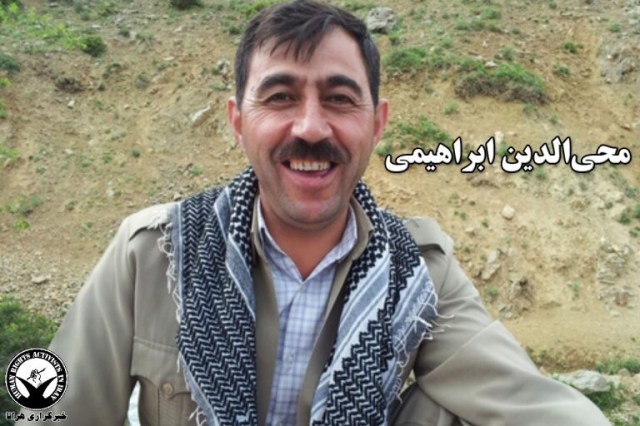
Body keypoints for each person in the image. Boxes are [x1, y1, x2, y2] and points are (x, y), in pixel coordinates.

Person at [20, 1, 610, 425]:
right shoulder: (153, 251)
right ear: (237, 121)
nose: (309, 127)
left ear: (376, 123)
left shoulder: (419, 273)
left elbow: (531, 404)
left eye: (339, 99)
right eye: (280, 97)